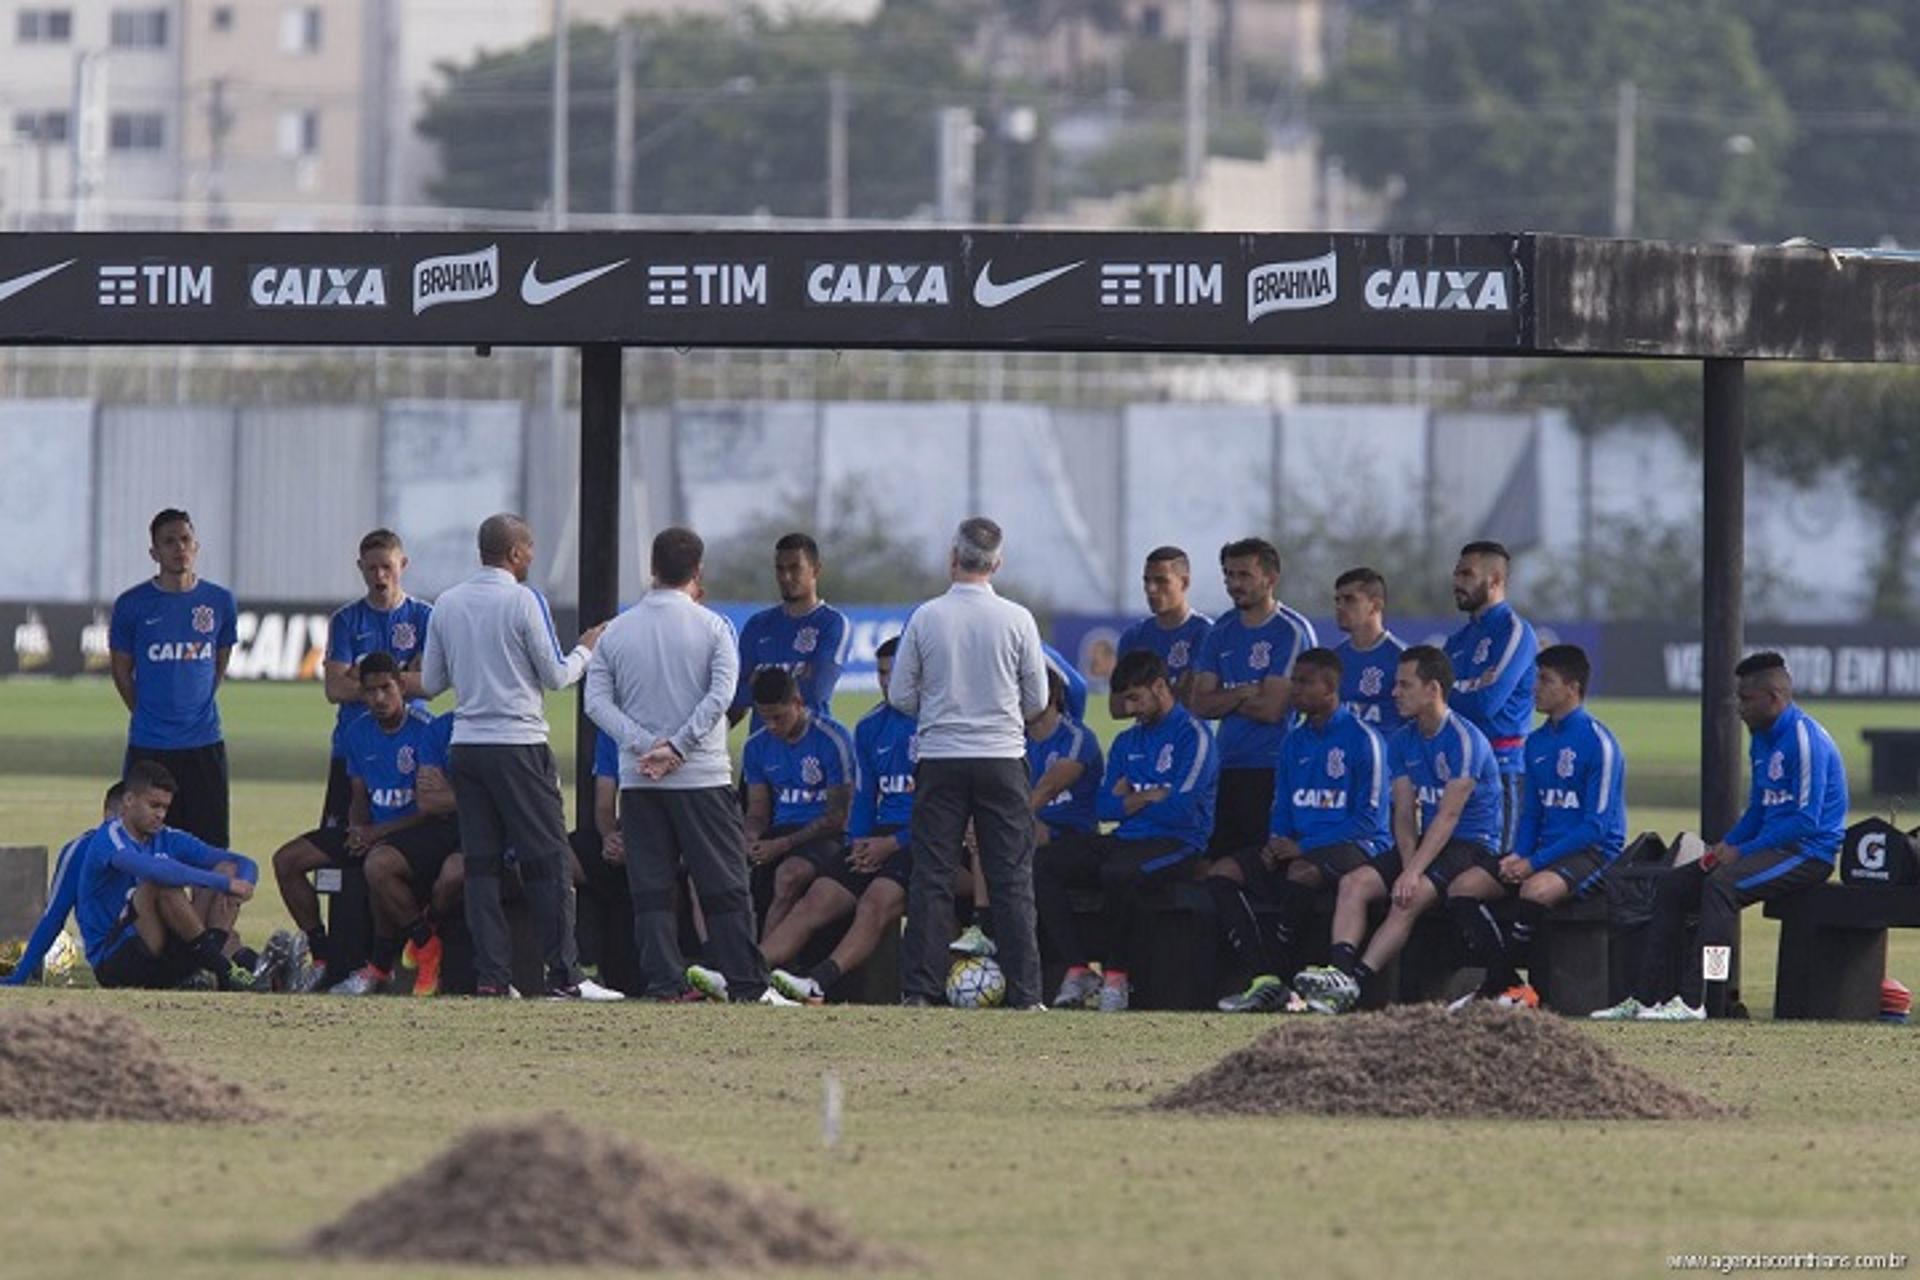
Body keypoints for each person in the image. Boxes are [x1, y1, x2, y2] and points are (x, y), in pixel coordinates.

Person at [421, 512, 618, 1001]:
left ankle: (492, 976)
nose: (532, 557)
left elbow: (430, 683)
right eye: (529, 549)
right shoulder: (524, 601)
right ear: (514, 553)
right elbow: (554, 676)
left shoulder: (447, 603)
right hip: (518, 744)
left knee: (481, 865)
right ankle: (566, 976)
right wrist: (587, 650)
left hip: (466, 746)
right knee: (549, 859)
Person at [585, 525, 783, 1004]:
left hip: (640, 778)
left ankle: (663, 983)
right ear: (697, 572)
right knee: (724, 885)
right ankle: (746, 984)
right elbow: (721, 697)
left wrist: (641, 744)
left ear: (652, 569)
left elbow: (595, 702)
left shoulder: (617, 631)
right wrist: (678, 747)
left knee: (651, 889)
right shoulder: (714, 627)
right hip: (700, 775)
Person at [1594, 652, 1845, 1022]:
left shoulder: (1804, 741)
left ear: (1773, 698)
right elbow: (1759, 810)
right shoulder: (1761, 738)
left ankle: (1697, 1000)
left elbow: (1806, 822)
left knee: (1721, 887)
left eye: (1746, 699)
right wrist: (1724, 846)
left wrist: (1742, 851)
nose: (1739, 709)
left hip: (1807, 853)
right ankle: (1644, 998)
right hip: (1773, 847)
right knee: (1674, 885)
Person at [888, 516, 1049, 1009]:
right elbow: (1037, 699)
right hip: (1001, 756)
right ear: (997, 562)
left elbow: (899, 695)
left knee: (932, 876)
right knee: (1011, 877)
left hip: (941, 756)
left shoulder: (926, 617)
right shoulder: (1018, 619)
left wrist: (939, 714)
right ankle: (1026, 993)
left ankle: (920, 990)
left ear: (952, 557)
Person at [1292, 645, 1503, 1013]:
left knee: (1409, 896)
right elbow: (1404, 812)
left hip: (1470, 843)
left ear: (1433, 689)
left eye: (1405, 685)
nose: (1394, 693)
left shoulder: (1465, 741)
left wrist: (1413, 873)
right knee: (1353, 884)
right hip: (1428, 841)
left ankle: (1356, 983)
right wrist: (1407, 864)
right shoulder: (1402, 740)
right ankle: (1337, 976)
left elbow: (1448, 817)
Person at [1441, 643, 1628, 1010]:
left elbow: (1597, 827)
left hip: (1590, 853)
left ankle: (1503, 989)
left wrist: (1534, 862)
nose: (1534, 688)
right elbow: (1531, 814)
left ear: (1572, 688)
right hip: (1541, 850)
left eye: (1545, 680)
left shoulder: (1598, 742)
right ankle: (1508, 985)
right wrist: (1519, 855)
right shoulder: (1537, 742)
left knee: (1534, 890)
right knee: (1462, 888)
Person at [1210, 648, 1393, 1013]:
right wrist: (1276, 840)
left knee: (1302, 871)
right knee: (1221, 873)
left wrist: (1303, 844)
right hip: (1298, 845)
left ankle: (1287, 978)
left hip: (1356, 845)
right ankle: (1264, 978)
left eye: (1304, 682)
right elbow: (1282, 803)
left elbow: (1369, 820)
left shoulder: (1363, 739)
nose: (1294, 689)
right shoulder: (1293, 740)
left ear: (1330, 688)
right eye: (1293, 681)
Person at [1037, 650, 1217, 1012]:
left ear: (1160, 686)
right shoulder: (1126, 742)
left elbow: (1183, 808)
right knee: (1043, 862)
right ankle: (1078, 967)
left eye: (1135, 697)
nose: (1130, 708)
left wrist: (1131, 799)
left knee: (1118, 873)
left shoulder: (1193, 736)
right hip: (1127, 838)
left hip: (1179, 842)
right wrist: (1148, 796)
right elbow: (1102, 808)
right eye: (1125, 699)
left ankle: (1117, 976)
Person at [265, 653, 456, 993]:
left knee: (377, 865)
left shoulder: (426, 730)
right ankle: (322, 957)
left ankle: (389, 962)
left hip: (412, 834)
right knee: (287, 861)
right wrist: (356, 829)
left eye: (386, 688)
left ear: (401, 686)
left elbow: (432, 810)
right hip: (373, 831)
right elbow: (358, 794)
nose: (379, 698)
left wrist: (376, 834)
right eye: (370, 691)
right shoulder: (356, 732)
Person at [764, 636, 919, 1004]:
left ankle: (817, 982)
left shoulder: (938, 725)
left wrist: (893, 844)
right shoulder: (870, 726)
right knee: (817, 897)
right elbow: (864, 797)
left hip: (921, 840)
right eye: (882, 673)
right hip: (877, 838)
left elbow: (942, 811)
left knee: (877, 900)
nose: (887, 681)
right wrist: (857, 845)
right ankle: (747, 974)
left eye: (895, 673)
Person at [108, 508, 239, 848]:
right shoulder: (132, 605)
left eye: (185, 540)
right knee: (145, 848)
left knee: (211, 850)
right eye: (169, 542)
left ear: (196, 546)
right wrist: (146, 712)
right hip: (150, 745)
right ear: (154, 552)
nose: (178, 548)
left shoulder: (219, 602)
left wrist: (196, 706)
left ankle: (203, 905)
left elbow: (219, 662)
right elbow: (121, 670)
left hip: (204, 743)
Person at [957, 665, 1106, 959]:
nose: (1017, 702)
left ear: (1050, 696)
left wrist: (997, 823)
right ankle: (982, 929)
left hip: (1069, 832)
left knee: (996, 834)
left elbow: (1048, 788)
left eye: (1024, 695)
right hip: (1024, 827)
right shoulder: (1015, 737)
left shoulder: (1076, 737)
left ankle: (986, 930)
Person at [73, 761, 260, 991]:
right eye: (154, 806)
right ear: (129, 801)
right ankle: (225, 968)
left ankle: (212, 968)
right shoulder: (108, 838)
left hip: (167, 952)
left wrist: (244, 883)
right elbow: (154, 871)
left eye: (165, 808)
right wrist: (223, 883)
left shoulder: (168, 837)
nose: (160, 815)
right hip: (118, 959)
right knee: (160, 885)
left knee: (226, 868)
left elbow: (241, 862)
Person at [1189, 537, 1316, 856]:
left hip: (1273, 768)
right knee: (1217, 863)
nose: (1234, 584)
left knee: (1263, 866)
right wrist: (1245, 692)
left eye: (1244, 575)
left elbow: (1273, 709)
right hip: (1224, 766)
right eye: (1229, 575)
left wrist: (1225, 697)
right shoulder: (1221, 630)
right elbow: (1200, 704)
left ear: (1270, 579)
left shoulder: (1290, 631)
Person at [320, 529, 433, 830]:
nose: (380, 575)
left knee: (411, 837)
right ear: (360, 568)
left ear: (403, 565)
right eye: (371, 568)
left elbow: (431, 684)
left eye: (387, 567)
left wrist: (362, 677)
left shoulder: (424, 617)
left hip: (411, 745)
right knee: (340, 843)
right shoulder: (346, 620)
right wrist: (399, 677)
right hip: (352, 745)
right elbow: (334, 688)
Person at [741, 667, 857, 939]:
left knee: (789, 875)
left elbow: (838, 816)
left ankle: (761, 964)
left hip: (826, 834)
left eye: (778, 717)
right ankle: (720, 956)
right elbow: (758, 809)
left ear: (798, 703)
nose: (771, 726)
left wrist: (782, 845)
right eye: (764, 718)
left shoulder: (832, 739)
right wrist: (750, 837)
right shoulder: (756, 746)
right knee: (721, 871)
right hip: (780, 831)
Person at [1444, 542, 1538, 851]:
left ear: (1495, 580)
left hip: (1501, 768)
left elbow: (1487, 704)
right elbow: (1431, 701)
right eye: (1457, 574)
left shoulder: (1514, 632)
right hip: (1457, 770)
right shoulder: (1457, 639)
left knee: (1497, 868)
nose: (1458, 582)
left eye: (1467, 574)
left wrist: (1452, 689)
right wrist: (1469, 686)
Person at [0, 781, 124, 987]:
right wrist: (20, 976)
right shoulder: (82, 850)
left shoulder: (158, 843)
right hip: (121, 959)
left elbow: (54, 916)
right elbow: (54, 916)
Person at [729, 532, 851, 729]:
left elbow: (817, 690)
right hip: (763, 747)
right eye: (780, 569)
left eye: (795, 568)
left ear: (816, 570)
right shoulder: (758, 625)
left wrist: (759, 681)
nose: (786, 577)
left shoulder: (832, 623)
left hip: (812, 746)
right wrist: (797, 676)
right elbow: (736, 694)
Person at [1112, 545, 1213, 715]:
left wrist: (1140, 696)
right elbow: (1117, 707)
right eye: (1147, 581)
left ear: (1184, 582)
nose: (1151, 589)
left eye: (1161, 581)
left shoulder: (1205, 632)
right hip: (1144, 740)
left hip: (1186, 738)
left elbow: (1190, 697)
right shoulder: (1134, 636)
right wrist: (1167, 693)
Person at [1331, 567, 1406, 736]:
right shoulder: (1333, 660)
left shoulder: (1403, 658)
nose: (1340, 607)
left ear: (1376, 605)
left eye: (1350, 599)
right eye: (1337, 600)